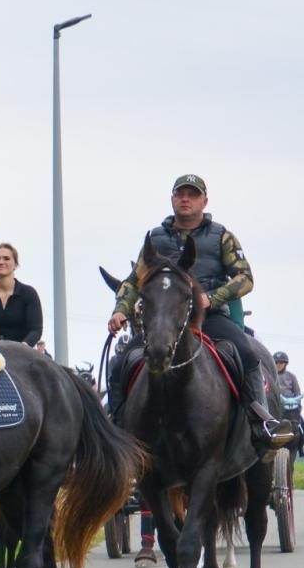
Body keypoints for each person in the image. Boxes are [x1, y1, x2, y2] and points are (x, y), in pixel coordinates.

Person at [105, 172, 293, 452]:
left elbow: (245, 278)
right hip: (164, 320)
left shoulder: (222, 237)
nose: (185, 199)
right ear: (172, 199)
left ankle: (261, 422)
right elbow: (134, 282)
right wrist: (120, 310)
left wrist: (211, 298)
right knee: (121, 361)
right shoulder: (155, 239)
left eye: (192, 195)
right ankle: (115, 426)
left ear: (204, 200)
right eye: (180, 194)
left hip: (210, 317)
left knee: (247, 353)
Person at [0, 243, 43, 347]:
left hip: (21, 351)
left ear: (16, 264)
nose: (1, 262)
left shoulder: (28, 293)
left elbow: (36, 330)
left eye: (6, 258)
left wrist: (23, 346)